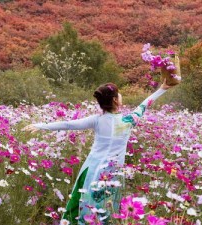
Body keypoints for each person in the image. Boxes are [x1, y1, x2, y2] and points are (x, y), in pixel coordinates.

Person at [22, 80, 173, 224]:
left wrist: (41, 126)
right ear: (115, 100)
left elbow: (68, 124)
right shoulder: (128, 120)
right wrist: (162, 89)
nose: (120, 96)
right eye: (118, 94)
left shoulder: (97, 120)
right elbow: (144, 105)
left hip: (91, 169)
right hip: (112, 172)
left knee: (82, 203)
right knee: (106, 208)